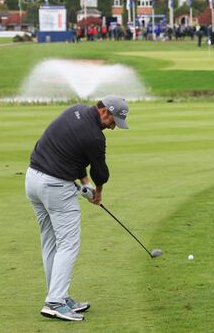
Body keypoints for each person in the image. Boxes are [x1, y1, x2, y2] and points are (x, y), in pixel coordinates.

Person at [25, 96, 130, 322]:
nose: (113, 127)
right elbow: (100, 173)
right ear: (104, 112)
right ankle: (54, 302)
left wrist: (84, 182)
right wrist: (97, 191)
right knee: (68, 244)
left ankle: (59, 296)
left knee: (51, 242)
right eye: (114, 121)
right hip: (55, 186)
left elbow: (73, 152)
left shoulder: (76, 110)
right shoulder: (95, 137)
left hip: (32, 179)